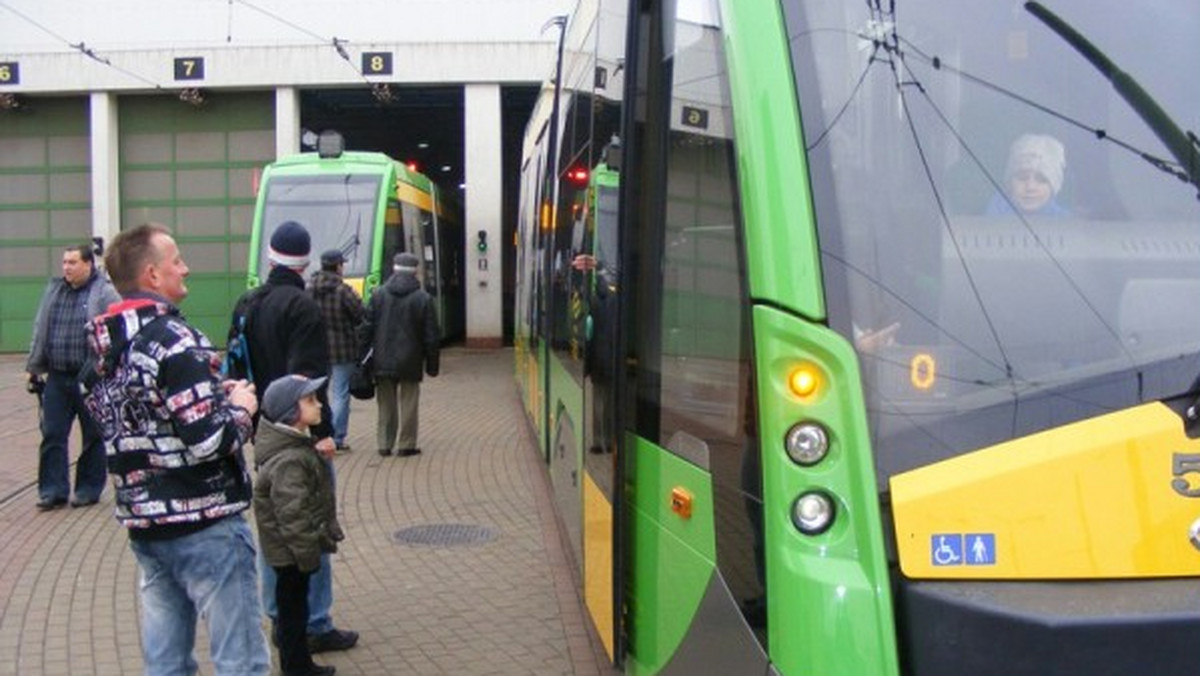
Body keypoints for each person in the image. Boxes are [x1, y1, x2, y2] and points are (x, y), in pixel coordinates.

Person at [78, 223, 270, 676]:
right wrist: (241, 407)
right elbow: (209, 441)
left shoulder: (105, 352)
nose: (186, 268)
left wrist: (208, 395)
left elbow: (140, 422)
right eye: (176, 261)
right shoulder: (175, 341)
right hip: (204, 522)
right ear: (152, 275)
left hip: (145, 526)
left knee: (166, 660)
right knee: (240, 658)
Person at [229, 220, 359, 655]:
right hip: (299, 439)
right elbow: (307, 380)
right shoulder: (302, 308)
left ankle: (279, 618)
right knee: (310, 525)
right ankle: (314, 622)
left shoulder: (246, 304)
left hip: (264, 437)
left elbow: (234, 374)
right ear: (305, 261)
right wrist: (322, 434)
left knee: (273, 527)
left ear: (269, 256)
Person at [254, 374, 343, 676]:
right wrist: (308, 555)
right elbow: (291, 512)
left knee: (296, 611)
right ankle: (296, 668)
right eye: (310, 401)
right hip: (290, 554)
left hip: (289, 551)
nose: (318, 405)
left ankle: (300, 663)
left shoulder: (296, 447)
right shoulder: (289, 459)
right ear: (291, 413)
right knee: (293, 614)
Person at [26, 243, 120, 510]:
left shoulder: (104, 292)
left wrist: (104, 367)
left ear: (88, 264)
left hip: (90, 378)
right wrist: (33, 368)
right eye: (64, 262)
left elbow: (118, 330)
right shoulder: (54, 290)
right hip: (57, 377)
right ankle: (53, 491)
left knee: (93, 435)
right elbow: (40, 328)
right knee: (52, 433)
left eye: (72, 262)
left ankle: (88, 489)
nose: (66, 267)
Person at [361, 252, 440, 457]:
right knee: (409, 403)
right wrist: (432, 365)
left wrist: (360, 357)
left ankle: (384, 444)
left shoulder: (378, 295)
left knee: (385, 404)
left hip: (382, 359)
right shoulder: (423, 298)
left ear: (393, 270)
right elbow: (431, 335)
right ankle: (406, 444)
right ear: (415, 272)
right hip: (411, 360)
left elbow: (366, 328)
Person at [309, 249, 365, 453]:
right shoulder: (344, 290)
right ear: (338, 266)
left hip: (316, 349)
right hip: (343, 349)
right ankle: (337, 438)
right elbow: (361, 314)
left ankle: (320, 433)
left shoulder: (309, 289)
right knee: (340, 393)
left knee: (318, 393)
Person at [986, 133, 1070, 217]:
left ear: (1054, 186)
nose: (1030, 187)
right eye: (1022, 178)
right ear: (1009, 183)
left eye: (1041, 180)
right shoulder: (991, 219)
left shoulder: (1066, 223)